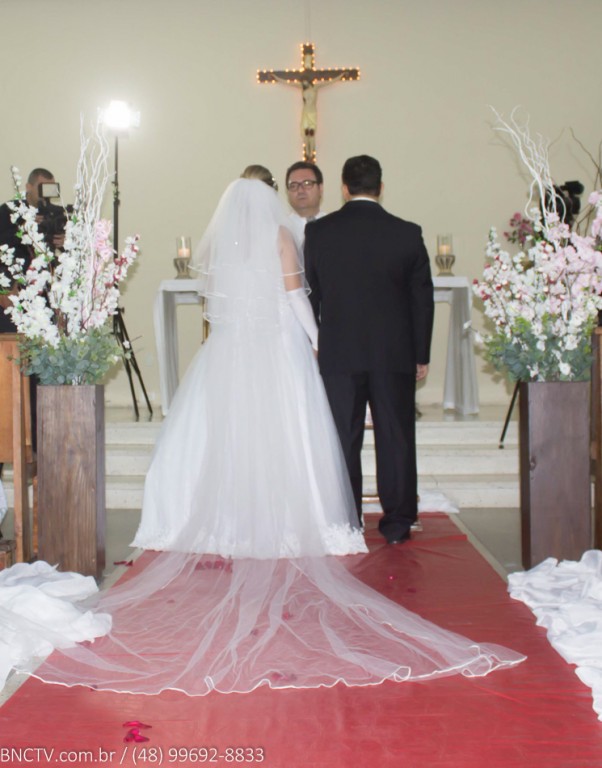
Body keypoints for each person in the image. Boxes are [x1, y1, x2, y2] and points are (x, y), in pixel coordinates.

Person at [19, 167, 524, 697]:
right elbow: (296, 296)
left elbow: (217, 303)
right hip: (285, 349)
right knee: (297, 433)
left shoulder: (235, 245)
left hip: (229, 351)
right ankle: (343, 517)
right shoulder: (291, 235)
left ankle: (234, 518)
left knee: (233, 435)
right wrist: (318, 339)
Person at [304, 155, 435, 545]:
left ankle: (346, 520)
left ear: (344, 189)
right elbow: (422, 300)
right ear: (381, 188)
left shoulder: (320, 232)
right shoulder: (407, 233)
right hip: (393, 353)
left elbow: (311, 295)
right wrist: (421, 354)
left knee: (342, 437)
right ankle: (397, 522)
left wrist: (314, 342)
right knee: (396, 435)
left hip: (339, 352)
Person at [285, 161, 325, 247]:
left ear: (320, 188)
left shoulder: (334, 225)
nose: (300, 191)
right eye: (293, 185)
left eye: (307, 184)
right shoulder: (282, 227)